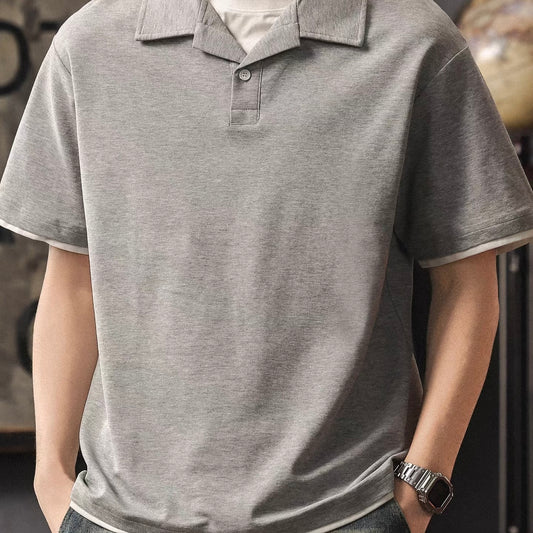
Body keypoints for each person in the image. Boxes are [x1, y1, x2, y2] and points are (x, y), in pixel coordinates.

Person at [2, 0, 533, 532]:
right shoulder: (90, 45)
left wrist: (422, 487)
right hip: (116, 517)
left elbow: (466, 285)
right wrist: (52, 480)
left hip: (349, 512)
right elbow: (72, 287)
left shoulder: (417, 44)